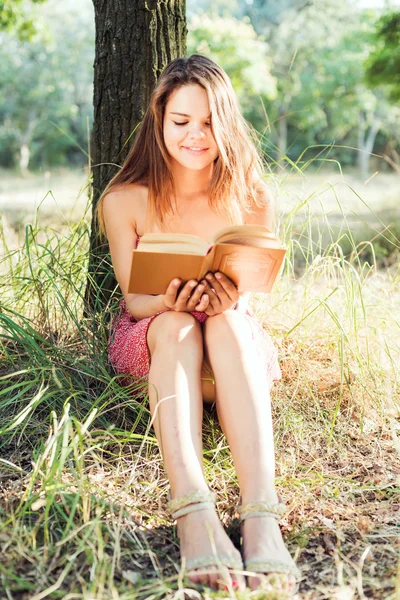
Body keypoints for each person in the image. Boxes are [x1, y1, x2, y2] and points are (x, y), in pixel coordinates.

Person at [98, 54, 301, 594]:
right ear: (159, 123)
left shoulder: (252, 194)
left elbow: (261, 284)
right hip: (157, 344)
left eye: (208, 121)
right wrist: (171, 299)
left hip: (231, 347)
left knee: (227, 324)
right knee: (176, 325)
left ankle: (262, 517)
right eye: (181, 121)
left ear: (227, 122)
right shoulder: (124, 200)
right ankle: (193, 513)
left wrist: (229, 297)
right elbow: (134, 299)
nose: (195, 135)